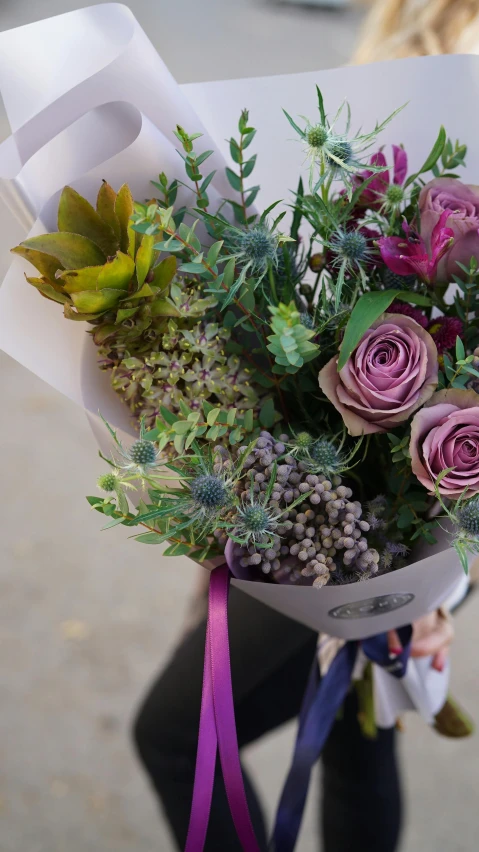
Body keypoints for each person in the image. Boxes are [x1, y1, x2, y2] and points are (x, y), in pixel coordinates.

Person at [133, 586, 453, 852]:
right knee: (355, 736)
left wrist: (417, 593)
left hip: (383, 566)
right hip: (369, 557)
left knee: (176, 738)